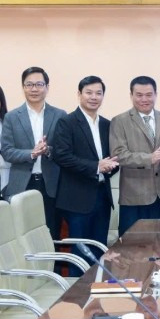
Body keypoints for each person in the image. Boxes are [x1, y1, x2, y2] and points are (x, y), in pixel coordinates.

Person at [51, 76, 119, 274]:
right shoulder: (67, 122)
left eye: (98, 93)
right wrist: (96, 166)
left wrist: (111, 166)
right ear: (79, 94)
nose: (94, 97)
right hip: (77, 199)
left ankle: (97, 289)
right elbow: (62, 156)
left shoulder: (107, 124)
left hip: (102, 196)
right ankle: (79, 293)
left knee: (99, 251)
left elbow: (112, 158)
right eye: (89, 93)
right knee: (80, 254)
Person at [1, 67, 67, 240]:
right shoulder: (11, 117)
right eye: (29, 85)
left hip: (50, 185)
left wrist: (48, 150)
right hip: (22, 184)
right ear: (23, 87)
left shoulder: (60, 115)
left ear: (47, 87)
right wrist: (32, 153)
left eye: (39, 84)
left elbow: (64, 151)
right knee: (22, 236)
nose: (34, 89)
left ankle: (52, 260)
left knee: (51, 234)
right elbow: (7, 151)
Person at [111, 76, 160, 236]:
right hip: (133, 196)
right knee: (132, 246)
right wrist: (149, 158)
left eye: (149, 95)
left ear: (156, 95)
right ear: (131, 95)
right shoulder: (120, 121)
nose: (144, 99)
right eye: (139, 95)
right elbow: (119, 155)